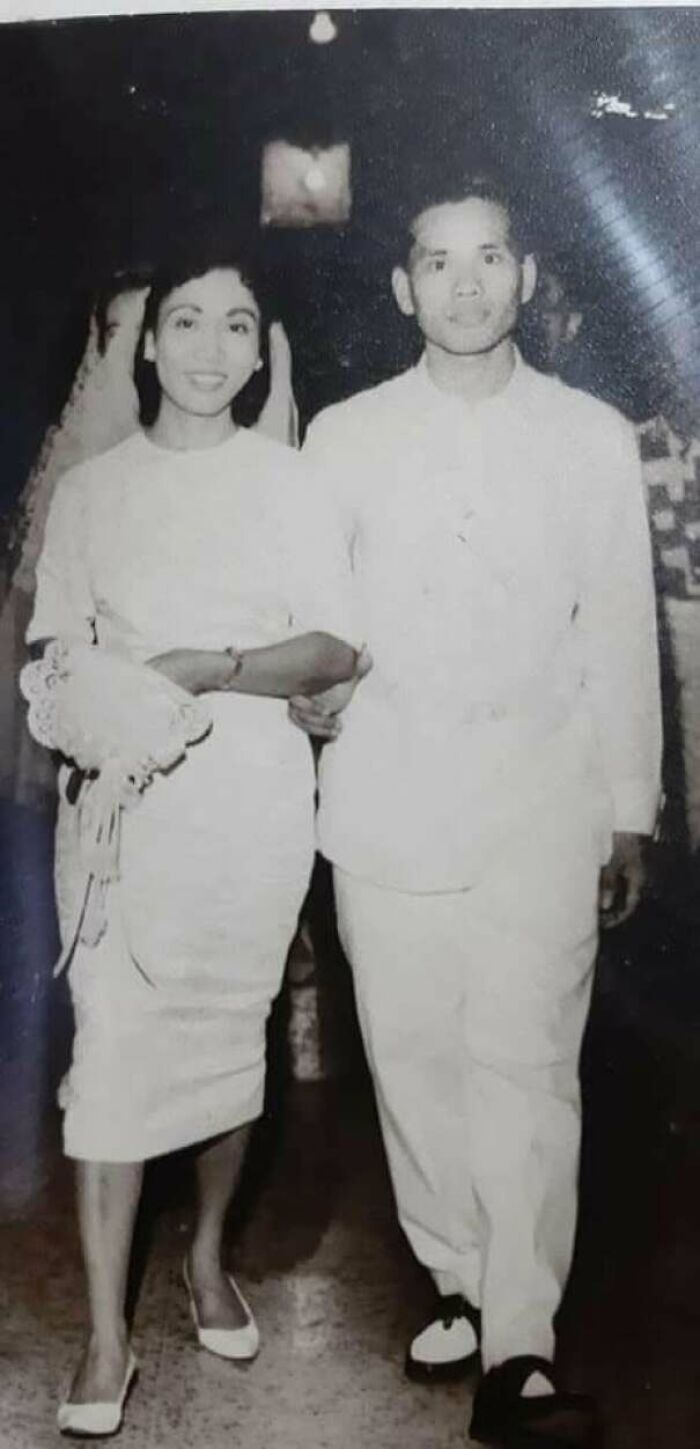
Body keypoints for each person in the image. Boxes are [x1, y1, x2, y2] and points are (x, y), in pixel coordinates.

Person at [293, 175, 661, 1447]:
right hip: (387, 804)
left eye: (488, 258)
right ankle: (455, 1277)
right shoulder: (342, 437)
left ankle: (520, 1342)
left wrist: (630, 810)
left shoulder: (592, 435)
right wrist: (308, 708)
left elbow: (621, 632)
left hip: (539, 804)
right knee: (411, 1065)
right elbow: (315, 622)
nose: (464, 284)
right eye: (437, 261)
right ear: (401, 287)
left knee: (523, 1069)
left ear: (526, 277)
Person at [25, 252, 362, 1439]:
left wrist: (205, 669)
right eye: (187, 322)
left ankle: (208, 1256)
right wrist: (94, 706)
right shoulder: (93, 494)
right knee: (112, 1055)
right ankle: (107, 1335)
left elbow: (332, 648)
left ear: (261, 349)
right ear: (148, 346)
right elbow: (54, 648)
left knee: (229, 1036)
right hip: (123, 812)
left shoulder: (293, 483)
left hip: (251, 803)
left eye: (238, 324)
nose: (213, 346)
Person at [1, 271, 298, 807]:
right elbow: (56, 635)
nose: (204, 350)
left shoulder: (272, 477)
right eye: (119, 333)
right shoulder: (85, 485)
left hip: (242, 776)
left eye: (231, 327)